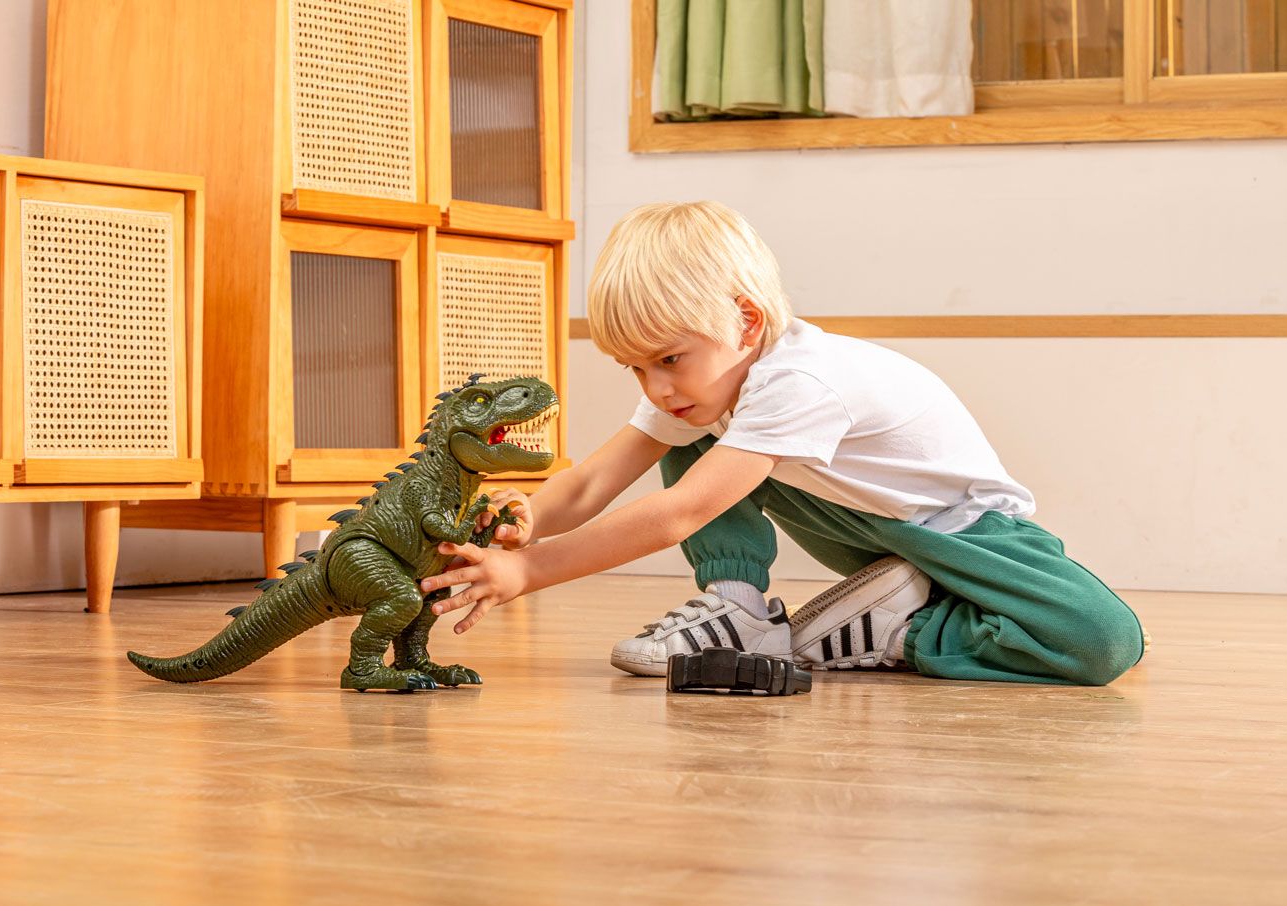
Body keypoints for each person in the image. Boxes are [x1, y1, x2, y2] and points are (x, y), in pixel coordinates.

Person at [419, 201, 1144, 685]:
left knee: (1104, 641)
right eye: (635, 367)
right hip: (863, 529)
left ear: (747, 320)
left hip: (965, 534)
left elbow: (680, 514)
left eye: (668, 358)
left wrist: (531, 572)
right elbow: (594, 477)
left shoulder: (801, 380)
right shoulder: (710, 385)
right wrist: (529, 524)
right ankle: (737, 609)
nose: (655, 388)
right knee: (694, 435)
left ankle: (903, 628)